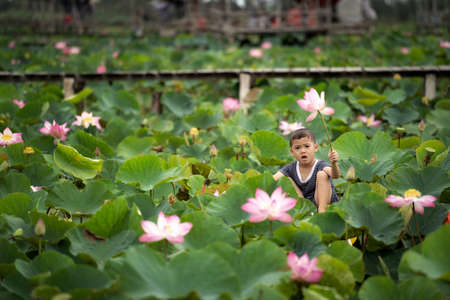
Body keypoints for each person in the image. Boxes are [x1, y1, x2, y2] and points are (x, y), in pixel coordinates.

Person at [273, 128, 340, 213]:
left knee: (322, 175)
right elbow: (272, 179)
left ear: (315, 147)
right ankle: (301, 211)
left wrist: (334, 163)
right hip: (304, 204)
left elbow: (335, 175)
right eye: (297, 148)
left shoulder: (320, 165)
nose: (303, 151)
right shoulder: (290, 168)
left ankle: (322, 211)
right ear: (292, 151)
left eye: (307, 146)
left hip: (321, 200)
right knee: (285, 179)